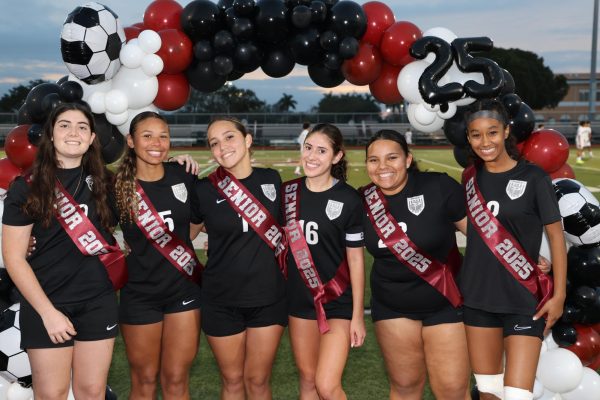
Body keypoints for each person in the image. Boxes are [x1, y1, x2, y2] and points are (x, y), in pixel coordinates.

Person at [2, 102, 122, 399]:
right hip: (47, 303)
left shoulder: (107, 184)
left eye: (82, 127)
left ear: (92, 138)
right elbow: (14, 257)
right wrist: (48, 314)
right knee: (52, 395)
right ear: (51, 135)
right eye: (64, 125)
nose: (73, 132)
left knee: (92, 392)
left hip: (97, 302)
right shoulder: (26, 187)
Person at [460, 99, 566, 400]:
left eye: (492, 132)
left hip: (523, 299)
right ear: (468, 138)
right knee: (489, 392)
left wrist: (559, 295)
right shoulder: (469, 178)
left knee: (518, 394)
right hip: (478, 298)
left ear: (506, 131)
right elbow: (476, 227)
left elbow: (556, 236)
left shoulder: (534, 178)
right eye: (476, 134)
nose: (485, 142)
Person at [362, 129, 470, 400]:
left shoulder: (438, 187)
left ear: (408, 160)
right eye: (373, 160)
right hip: (392, 306)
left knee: (453, 391)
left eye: (392, 158)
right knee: (405, 387)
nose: (382, 167)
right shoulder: (361, 201)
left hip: (446, 301)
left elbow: (481, 237)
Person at [193, 116, 287, 399]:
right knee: (232, 380)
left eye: (229, 137)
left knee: (258, 380)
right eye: (214, 143)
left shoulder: (272, 179)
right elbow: (182, 236)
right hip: (221, 299)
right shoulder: (204, 189)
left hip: (268, 297)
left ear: (247, 140)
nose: (223, 147)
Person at [114, 111, 203, 399]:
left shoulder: (183, 175)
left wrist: (172, 244)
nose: (157, 142)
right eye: (147, 135)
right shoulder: (117, 187)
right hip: (139, 293)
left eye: (163, 135)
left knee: (176, 379)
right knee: (144, 380)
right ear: (131, 141)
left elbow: (195, 223)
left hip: (183, 290)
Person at [283, 123, 366, 399]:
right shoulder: (287, 194)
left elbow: (355, 259)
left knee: (327, 385)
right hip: (299, 301)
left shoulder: (349, 199)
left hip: (336, 302)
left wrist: (357, 317)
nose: (312, 156)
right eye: (308, 148)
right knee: (307, 380)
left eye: (321, 150)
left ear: (337, 156)